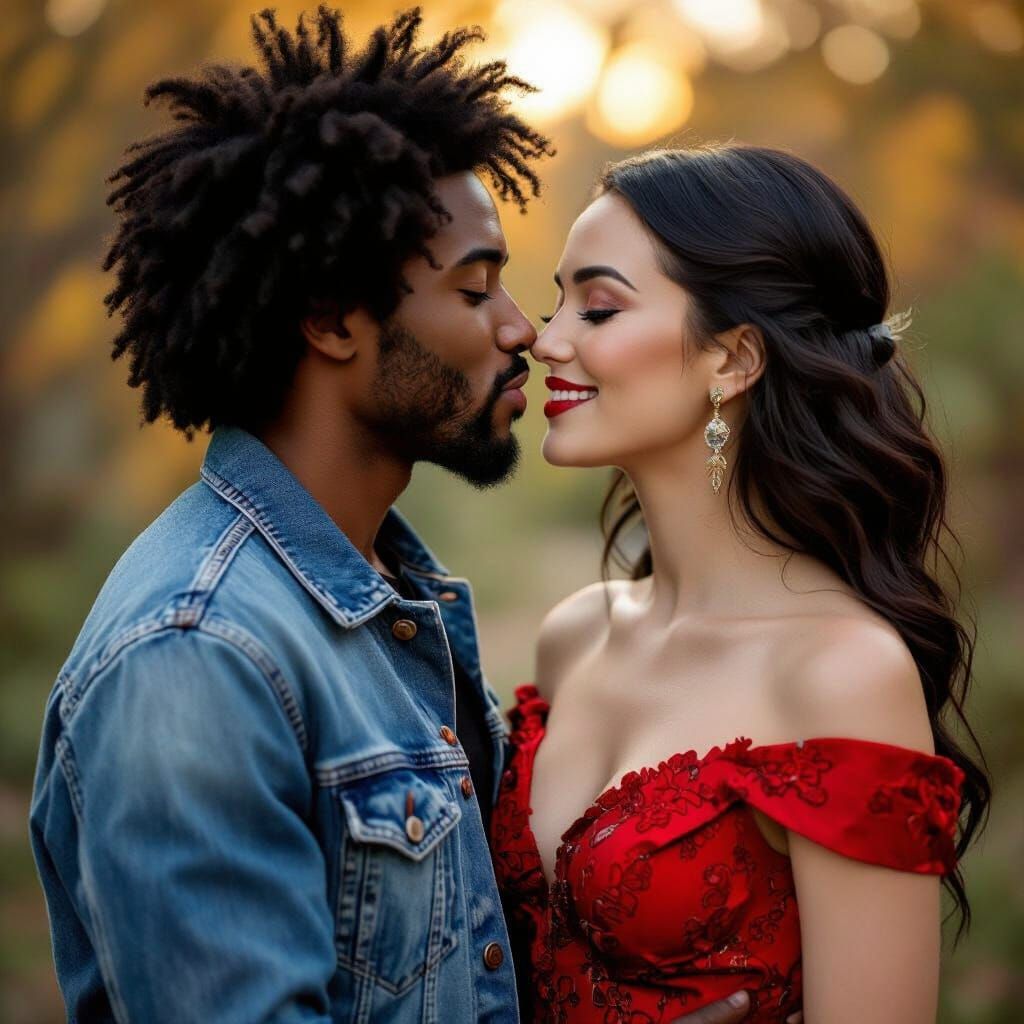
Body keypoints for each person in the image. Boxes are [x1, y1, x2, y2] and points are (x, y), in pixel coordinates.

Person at [28, 8, 757, 1023]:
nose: (521, 330)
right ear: (331, 318)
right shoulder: (197, 655)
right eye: (476, 289)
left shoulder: (386, 605)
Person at [491, 144, 990, 1023]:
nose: (547, 338)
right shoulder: (576, 634)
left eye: (599, 308)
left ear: (733, 360)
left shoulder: (844, 673)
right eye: (556, 300)